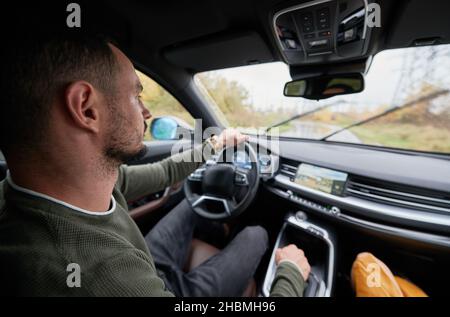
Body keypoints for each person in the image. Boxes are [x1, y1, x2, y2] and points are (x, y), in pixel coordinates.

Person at [0, 32, 310, 296]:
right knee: (257, 234)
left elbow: (165, 172)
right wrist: (289, 274)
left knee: (190, 206)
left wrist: (214, 144)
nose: (147, 112)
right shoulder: (104, 277)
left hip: (149, 263)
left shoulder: (65, 186)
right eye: (136, 95)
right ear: (86, 108)